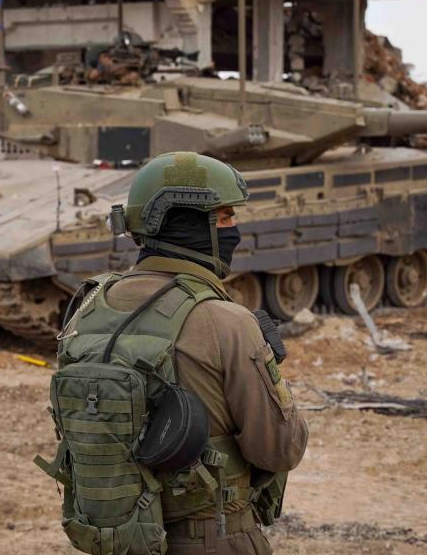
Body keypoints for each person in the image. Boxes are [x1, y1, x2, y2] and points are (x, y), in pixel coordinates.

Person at [103, 151, 309, 554]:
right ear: (192, 223)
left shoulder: (90, 306)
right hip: (210, 538)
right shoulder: (226, 322)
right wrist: (269, 368)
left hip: (118, 537)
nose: (235, 232)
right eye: (226, 218)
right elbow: (281, 448)